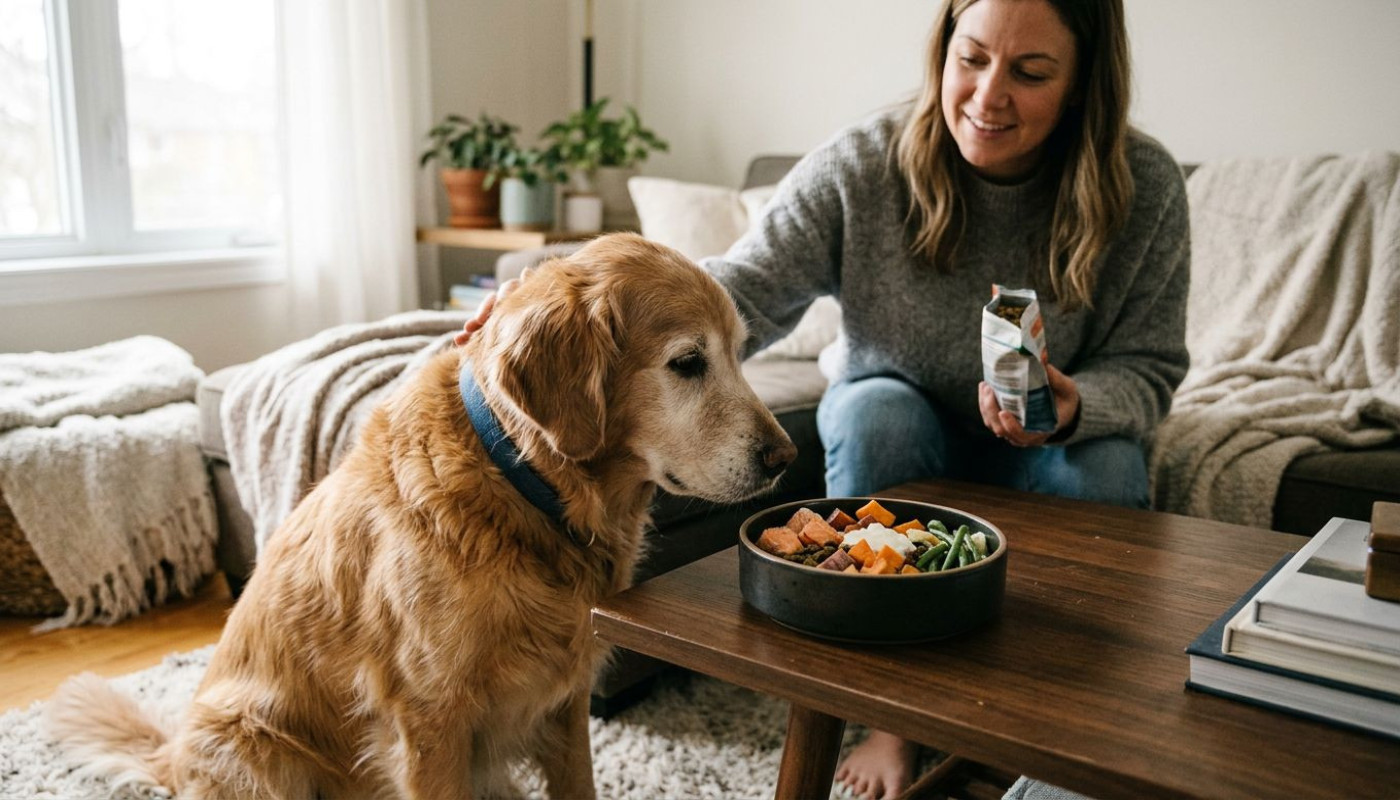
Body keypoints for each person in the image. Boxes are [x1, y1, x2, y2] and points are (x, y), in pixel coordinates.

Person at [460, 0, 1189, 796]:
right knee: (871, 408)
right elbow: (732, 289)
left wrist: (1071, 407)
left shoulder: (1143, 185)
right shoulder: (865, 164)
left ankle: (1067, 728)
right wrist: (550, 294)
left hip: (1053, 442)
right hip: (905, 426)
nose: (987, 96)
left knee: (1111, 467)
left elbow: (1150, 366)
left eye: (1030, 72)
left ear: (1085, 82)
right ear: (941, 51)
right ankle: (889, 721)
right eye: (971, 58)